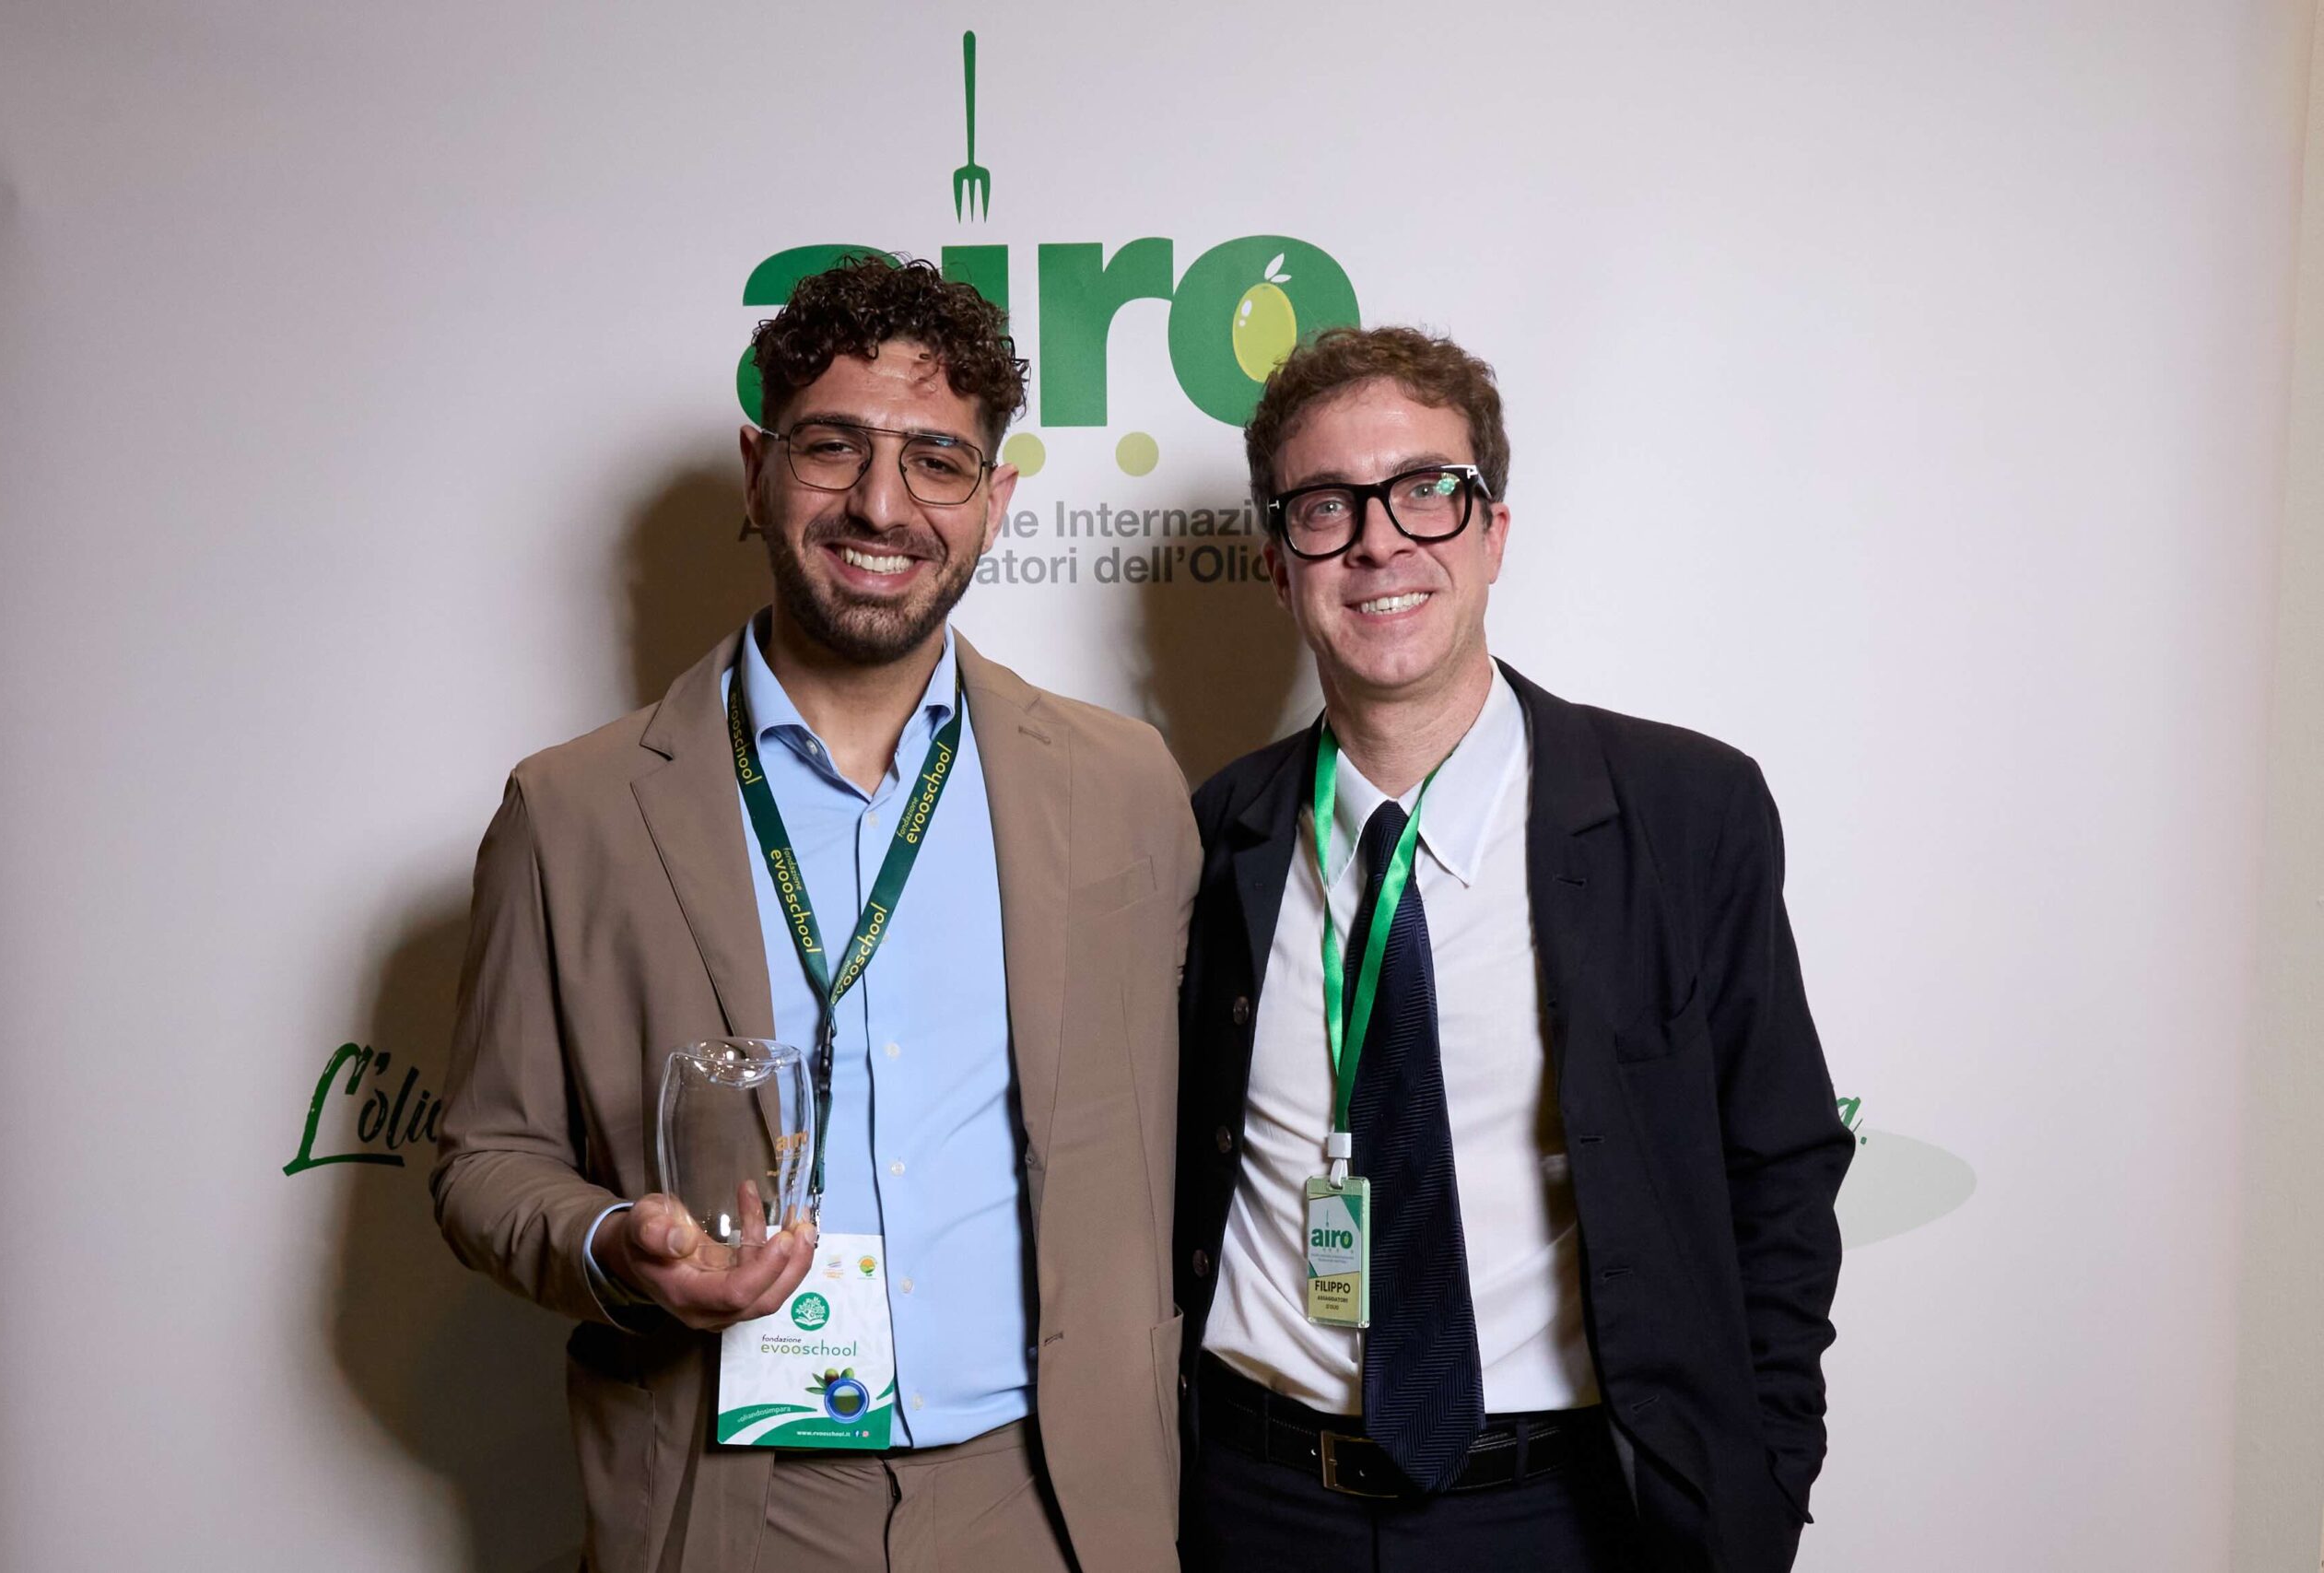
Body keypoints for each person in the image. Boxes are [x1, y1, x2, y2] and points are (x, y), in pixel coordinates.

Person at [434, 255, 1198, 1573]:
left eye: (937, 462)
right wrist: (618, 1246)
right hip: (732, 1502)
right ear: (759, 471)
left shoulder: (1124, 785)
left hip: (1054, 1500)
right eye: (833, 447)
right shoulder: (571, 811)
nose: (881, 505)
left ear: (997, 500)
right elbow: (484, 1161)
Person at [1174, 326, 1850, 1572]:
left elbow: (1781, 1167)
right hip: (1262, 1508)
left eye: (1427, 492)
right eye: (1327, 507)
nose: (1380, 542)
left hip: (1573, 1517)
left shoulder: (1685, 811)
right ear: (1277, 565)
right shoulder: (1209, 834)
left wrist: (1760, 1485)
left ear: (1492, 532)